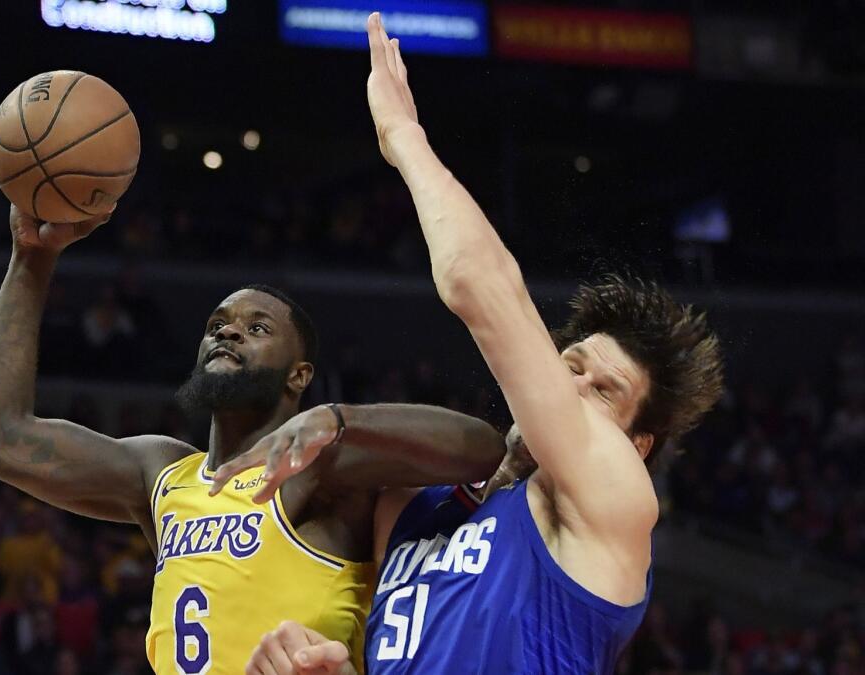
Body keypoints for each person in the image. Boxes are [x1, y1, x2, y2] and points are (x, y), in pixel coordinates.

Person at [241, 13, 725, 675]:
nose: (572, 387)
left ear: (638, 445)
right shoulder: (416, 503)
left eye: (604, 389)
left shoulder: (617, 503)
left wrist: (403, 136)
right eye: (570, 365)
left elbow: (478, 282)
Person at [0, 204, 509, 672]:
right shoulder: (160, 473)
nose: (228, 330)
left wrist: (340, 419)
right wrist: (32, 256)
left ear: (299, 375)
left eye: (257, 327)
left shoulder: (321, 467)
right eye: (217, 324)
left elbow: (480, 449)